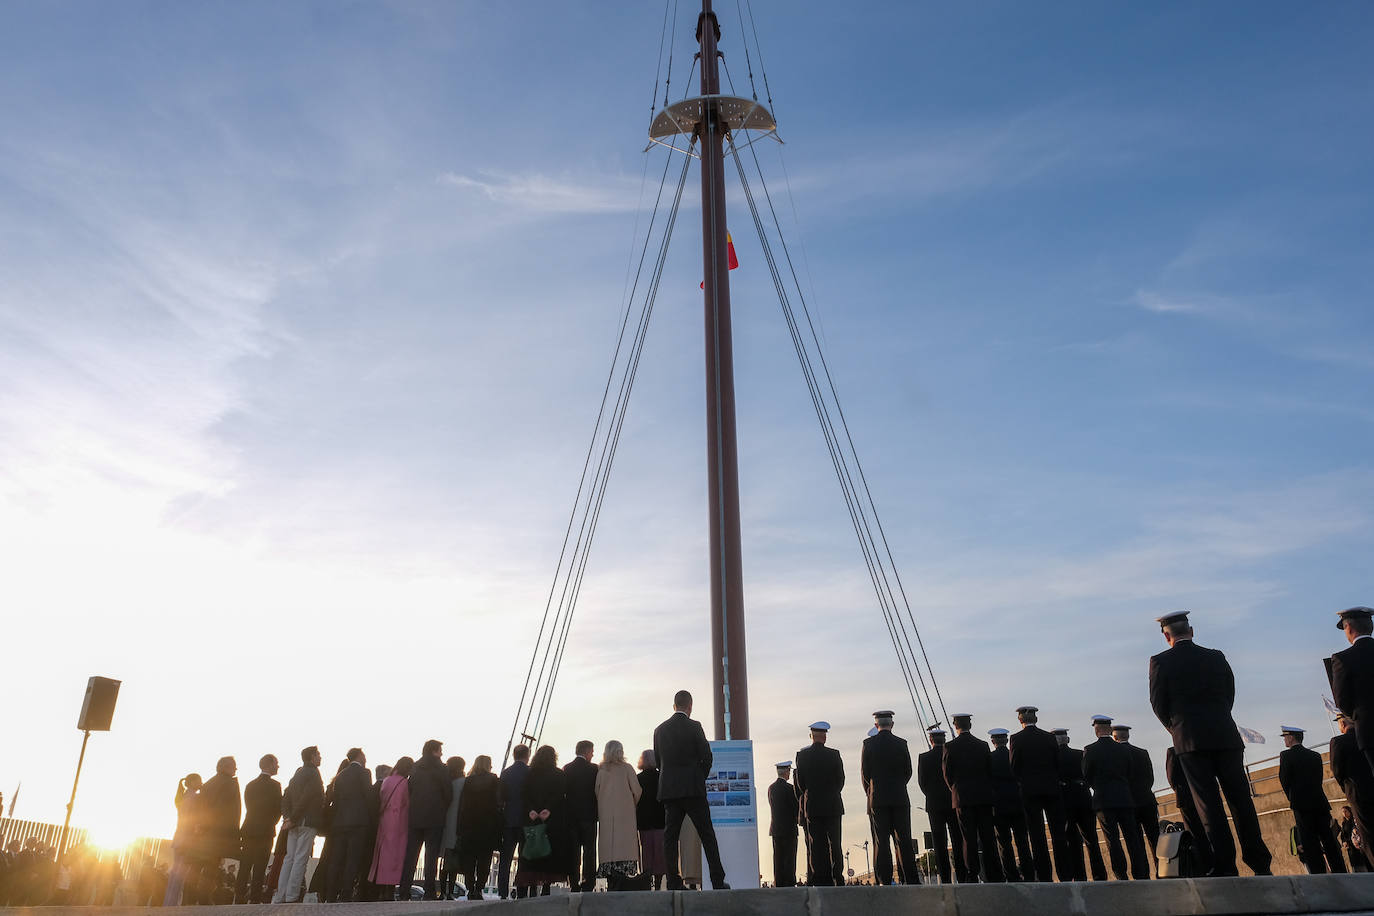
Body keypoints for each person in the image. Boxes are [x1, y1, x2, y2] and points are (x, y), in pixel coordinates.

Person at [1148, 611, 1272, 876]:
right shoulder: (1216, 657)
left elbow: (1158, 704)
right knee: (1241, 801)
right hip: (1225, 735)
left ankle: (1225, 865)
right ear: (1191, 631)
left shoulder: (1160, 662)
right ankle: (1260, 863)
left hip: (1190, 741)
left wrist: (1177, 729)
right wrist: (1219, 719)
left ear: (1166, 636)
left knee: (1209, 806)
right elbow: (1229, 694)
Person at [653, 689, 728, 890]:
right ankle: (717, 880)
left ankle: (673, 881)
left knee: (670, 838)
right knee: (707, 835)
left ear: (674, 706)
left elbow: (659, 762)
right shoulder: (695, 727)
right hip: (693, 790)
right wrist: (698, 777)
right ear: (690, 706)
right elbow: (707, 757)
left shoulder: (660, 730)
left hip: (670, 791)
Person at [1082, 715, 1148, 880]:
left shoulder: (1090, 750)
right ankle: (1140, 873)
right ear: (1110, 729)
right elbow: (1129, 772)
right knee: (1132, 838)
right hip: (1124, 798)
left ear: (1096, 729)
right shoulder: (1123, 750)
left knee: (1112, 840)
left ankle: (1121, 874)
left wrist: (1097, 787)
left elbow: (1087, 775)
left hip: (1103, 801)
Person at [1008, 707, 1068, 882]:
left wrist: (1023, 781)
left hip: (1030, 791)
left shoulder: (1016, 739)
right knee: (1058, 834)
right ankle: (1064, 874)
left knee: (1037, 835)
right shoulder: (1049, 737)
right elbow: (1058, 762)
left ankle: (1044, 875)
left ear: (1020, 720)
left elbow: (1014, 766)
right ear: (1036, 719)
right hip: (1051, 789)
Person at [860, 710, 920, 885]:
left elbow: (865, 773)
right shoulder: (901, 743)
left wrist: (873, 789)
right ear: (892, 724)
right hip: (900, 797)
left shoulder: (868, 744)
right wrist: (898, 785)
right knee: (904, 840)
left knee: (882, 841)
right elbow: (908, 770)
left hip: (878, 798)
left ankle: (884, 880)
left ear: (876, 725)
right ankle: (911, 879)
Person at [943, 713, 1003, 882]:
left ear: (955, 726)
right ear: (970, 725)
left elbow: (947, 774)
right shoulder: (982, 745)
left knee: (968, 838)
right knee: (988, 837)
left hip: (963, 798)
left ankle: (972, 873)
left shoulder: (949, 747)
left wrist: (955, 790)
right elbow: (990, 771)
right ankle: (994, 874)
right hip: (983, 797)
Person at [1276, 726, 1344, 874]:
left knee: (1309, 842)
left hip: (1301, 805)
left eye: (1285, 737)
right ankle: (1340, 871)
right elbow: (1318, 779)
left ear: (1291, 737)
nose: (1284, 740)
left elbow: (1284, 780)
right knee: (1328, 839)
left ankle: (1318, 874)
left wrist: (1293, 798)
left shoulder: (1286, 755)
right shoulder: (1315, 755)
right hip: (1319, 802)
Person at [516, 745, 571, 896]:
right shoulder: (559, 774)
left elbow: (524, 794)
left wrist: (531, 810)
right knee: (548, 853)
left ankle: (526, 887)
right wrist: (548, 809)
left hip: (531, 819)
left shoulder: (529, 774)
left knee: (529, 852)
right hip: (551, 821)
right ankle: (546, 887)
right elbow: (559, 795)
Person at [402, 739, 453, 900]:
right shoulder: (442, 768)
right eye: (440, 750)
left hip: (415, 816)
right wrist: (442, 808)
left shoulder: (415, 767)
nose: (442, 753)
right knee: (431, 857)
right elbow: (448, 793)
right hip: (435, 817)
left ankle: (404, 890)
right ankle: (429, 891)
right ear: (434, 751)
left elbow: (409, 789)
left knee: (411, 855)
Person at [273, 746, 324, 904]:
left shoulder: (297, 775)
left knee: (289, 859)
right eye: (318, 755)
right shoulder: (314, 773)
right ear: (312, 757)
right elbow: (307, 798)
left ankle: (280, 895)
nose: (320, 757)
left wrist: (288, 818)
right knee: (300, 859)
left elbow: (286, 799)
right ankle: (292, 896)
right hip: (306, 821)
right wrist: (294, 818)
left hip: (293, 824)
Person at [1055, 727, 1107, 881]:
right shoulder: (1080, 754)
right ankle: (1099, 875)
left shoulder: (1052, 758)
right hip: (1083, 798)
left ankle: (1080, 876)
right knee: (1092, 840)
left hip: (1065, 800)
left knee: (1073, 841)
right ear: (1067, 739)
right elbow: (1089, 774)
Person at [918, 725, 968, 884]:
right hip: (953, 801)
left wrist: (931, 795)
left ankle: (945, 878)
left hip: (934, 805)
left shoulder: (924, 758)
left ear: (930, 740)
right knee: (957, 840)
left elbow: (922, 782)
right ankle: (962, 875)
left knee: (939, 843)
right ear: (944, 740)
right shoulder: (952, 754)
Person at [325, 748, 376, 901]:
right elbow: (368, 796)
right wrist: (372, 818)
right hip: (358, 821)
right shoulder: (364, 773)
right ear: (359, 756)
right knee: (353, 858)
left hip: (340, 822)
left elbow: (336, 799)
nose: (365, 758)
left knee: (336, 859)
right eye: (364, 755)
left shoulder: (341, 775)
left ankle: (331, 893)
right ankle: (346, 892)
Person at [1112, 725, 1160, 877]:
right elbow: (1150, 778)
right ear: (1128, 736)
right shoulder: (1142, 752)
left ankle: (1143, 874)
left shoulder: (1115, 756)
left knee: (1136, 842)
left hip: (1128, 804)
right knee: (1155, 838)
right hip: (1147, 800)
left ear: (1114, 738)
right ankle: (1162, 870)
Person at [595, 740, 643, 890]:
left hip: (606, 816)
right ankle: (624, 879)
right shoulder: (627, 769)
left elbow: (597, 792)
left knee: (608, 848)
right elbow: (637, 791)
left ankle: (610, 880)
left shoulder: (601, 770)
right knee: (626, 847)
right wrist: (630, 804)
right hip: (626, 816)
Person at [1332, 606, 1374, 774]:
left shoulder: (1342, 659)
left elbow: (1342, 701)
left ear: (1348, 627)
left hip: (1370, 730)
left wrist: (1359, 715)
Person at [987, 729, 1032, 881]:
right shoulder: (1014, 756)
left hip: (999, 805)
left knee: (1004, 844)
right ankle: (1029, 873)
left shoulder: (989, 758)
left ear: (993, 741)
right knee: (1022, 841)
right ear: (1006, 741)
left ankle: (1011, 875)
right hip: (1018, 803)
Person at [236, 754, 281, 904]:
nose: (278, 766)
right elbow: (277, 809)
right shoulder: (275, 785)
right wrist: (271, 823)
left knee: (245, 865)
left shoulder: (250, 785)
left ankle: (239, 896)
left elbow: (249, 807)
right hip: (265, 831)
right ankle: (255, 898)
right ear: (269, 765)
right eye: (276, 763)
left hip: (249, 829)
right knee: (260, 867)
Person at [1331, 713, 1374, 868]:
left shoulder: (1338, 742)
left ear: (1342, 724)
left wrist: (1347, 789)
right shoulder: (1368, 736)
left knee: (1368, 835)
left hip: (1358, 794)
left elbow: (1337, 772)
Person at [456, 756, 501, 900]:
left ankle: (470, 887)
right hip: (488, 826)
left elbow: (462, 805)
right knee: (484, 860)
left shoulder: (468, 781)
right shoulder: (494, 780)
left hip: (469, 825)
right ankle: (479, 888)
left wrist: (460, 827)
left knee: (469, 860)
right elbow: (499, 803)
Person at [1164, 746, 1213, 876]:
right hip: (1201, 795)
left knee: (1193, 833)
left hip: (1186, 797)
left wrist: (1180, 790)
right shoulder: (1198, 748)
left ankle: (1201, 866)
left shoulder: (1173, 752)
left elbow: (1171, 777)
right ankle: (1210, 863)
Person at [369, 757, 412, 899]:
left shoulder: (387, 780)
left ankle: (380, 890)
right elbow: (405, 803)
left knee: (382, 856)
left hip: (384, 822)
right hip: (399, 823)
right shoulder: (404, 783)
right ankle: (389, 890)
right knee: (395, 857)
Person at [198, 757, 241, 899]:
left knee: (207, 864)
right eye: (234, 766)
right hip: (222, 833)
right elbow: (231, 812)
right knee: (213, 865)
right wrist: (234, 836)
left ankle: (199, 895)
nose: (236, 769)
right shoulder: (230, 784)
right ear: (226, 767)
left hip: (206, 832)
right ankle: (204, 896)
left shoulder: (208, 784)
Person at [564, 739, 600, 892]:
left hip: (571, 816)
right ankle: (588, 882)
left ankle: (573, 883)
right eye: (592, 751)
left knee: (573, 850)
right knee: (589, 851)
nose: (593, 754)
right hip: (589, 815)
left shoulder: (567, 768)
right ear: (586, 751)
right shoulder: (594, 769)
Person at [163, 773, 204, 905]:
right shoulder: (195, 798)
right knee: (181, 875)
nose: (201, 783)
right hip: (187, 839)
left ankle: (169, 903)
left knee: (175, 873)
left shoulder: (182, 797)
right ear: (192, 782)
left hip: (179, 838)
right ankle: (172, 904)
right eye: (199, 781)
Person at [497, 744, 531, 899]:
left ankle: (502, 891)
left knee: (505, 858)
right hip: (526, 820)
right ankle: (522, 890)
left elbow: (500, 797)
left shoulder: (506, 773)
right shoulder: (530, 772)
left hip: (509, 819)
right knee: (525, 858)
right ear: (527, 755)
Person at [635, 750, 667, 890]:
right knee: (660, 852)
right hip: (661, 819)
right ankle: (658, 882)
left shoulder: (638, 778)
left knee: (646, 851)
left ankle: (647, 880)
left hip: (644, 820)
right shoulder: (662, 776)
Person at [767, 762, 799, 887]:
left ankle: (779, 882)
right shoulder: (790, 789)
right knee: (789, 858)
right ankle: (789, 882)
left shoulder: (771, 788)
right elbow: (795, 808)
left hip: (775, 828)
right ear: (786, 772)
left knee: (778, 858)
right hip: (789, 828)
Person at [440, 756, 466, 899]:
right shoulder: (464, 783)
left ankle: (443, 891)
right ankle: (450, 891)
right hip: (458, 825)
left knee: (444, 862)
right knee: (453, 863)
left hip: (445, 824)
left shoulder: (446, 781)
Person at [1339, 806, 1367, 871]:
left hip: (1357, 845)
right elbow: (1343, 835)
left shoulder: (1354, 821)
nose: (1344, 813)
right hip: (1350, 847)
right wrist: (1344, 842)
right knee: (1354, 865)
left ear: (1350, 811)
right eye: (1343, 812)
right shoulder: (1344, 823)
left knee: (1361, 863)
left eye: (1345, 811)